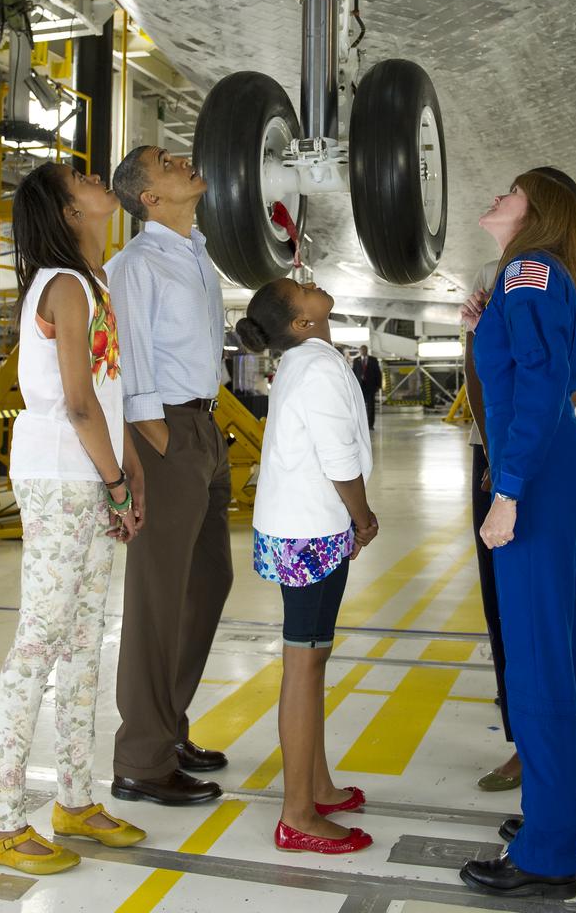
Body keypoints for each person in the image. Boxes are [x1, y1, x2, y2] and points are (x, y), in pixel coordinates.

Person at [0, 162, 146, 876]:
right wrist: (115, 479)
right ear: (68, 210)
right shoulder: (65, 286)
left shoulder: (92, 283)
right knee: (39, 645)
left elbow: (106, 395)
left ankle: (74, 798)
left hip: (92, 472)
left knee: (81, 645)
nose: (95, 179)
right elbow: (76, 404)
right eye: (80, 180)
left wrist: (128, 469)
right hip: (62, 474)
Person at [458, 169, 576, 901]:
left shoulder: (526, 268)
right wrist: (481, 329)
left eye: (509, 191)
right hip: (555, 458)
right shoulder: (533, 275)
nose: (495, 198)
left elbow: (543, 386)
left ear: (537, 211)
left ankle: (548, 853)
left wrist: (507, 490)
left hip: (537, 469)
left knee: (537, 657)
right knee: (567, 641)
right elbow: (534, 373)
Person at [106, 146, 233, 806]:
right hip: (167, 433)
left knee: (208, 581)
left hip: (202, 429)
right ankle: (141, 759)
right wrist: (153, 437)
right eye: (163, 161)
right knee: (158, 599)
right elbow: (127, 354)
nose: (182, 157)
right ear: (147, 198)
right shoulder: (134, 264)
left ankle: (166, 725)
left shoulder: (194, 255)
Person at [237, 278, 378, 855]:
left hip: (296, 527)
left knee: (312, 657)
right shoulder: (317, 368)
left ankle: (315, 784)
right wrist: (363, 517)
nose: (316, 284)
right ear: (300, 321)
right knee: (305, 664)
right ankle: (297, 814)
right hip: (313, 532)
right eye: (303, 288)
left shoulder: (304, 358)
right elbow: (339, 456)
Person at [352, 344, 382, 430]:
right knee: (359, 406)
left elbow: (378, 373)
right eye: (362, 350)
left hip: (370, 387)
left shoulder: (373, 360)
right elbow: (354, 373)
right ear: (360, 351)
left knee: (371, 406)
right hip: (360, 387)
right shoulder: (356, 361)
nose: (363, 351)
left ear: (367, 350)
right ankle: (360, 424)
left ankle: (370, 425)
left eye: (365, 350)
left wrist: (378, 385)